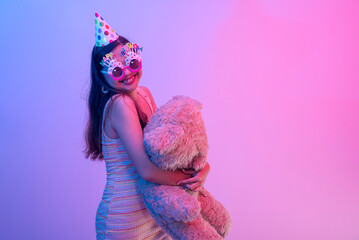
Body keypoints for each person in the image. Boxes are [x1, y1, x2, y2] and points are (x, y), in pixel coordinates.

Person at [83, 13, 211, 239]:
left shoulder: (144, 94)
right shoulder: (119, 105)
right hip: (125, 220)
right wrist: (190, 179)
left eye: (131, 62)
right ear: (103, 78)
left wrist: (200, 168)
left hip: (155, 212)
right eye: (116, 70)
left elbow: (165, 153)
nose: (128, 72)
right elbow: (147, 170)